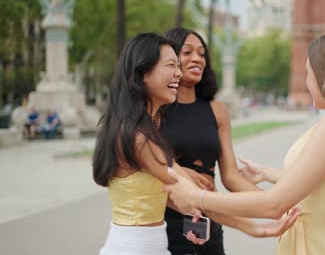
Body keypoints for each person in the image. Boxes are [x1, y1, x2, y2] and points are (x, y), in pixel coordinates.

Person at [165, 31, 325, 255]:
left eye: (309, 73)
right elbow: (324, 183)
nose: (307, 82)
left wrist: (196, 198)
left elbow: (274, 204)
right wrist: (268, 173)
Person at [93, 32, 298, 255]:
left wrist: (198, 212)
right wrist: (257, 224)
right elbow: (193, 195)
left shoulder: (146, 130)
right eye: (172, 65)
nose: (178, 73)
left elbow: (186, 199)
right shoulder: (137, 136)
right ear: (143, 73)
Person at [161, 27, 262, 255]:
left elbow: (232, 176)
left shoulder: (217, 110)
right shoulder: (156, 108)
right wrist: (184, 174)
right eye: (187, 52)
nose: (197, 58)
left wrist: (276, 202)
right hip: (165, 224)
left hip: (209, 222)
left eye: (201, 53)